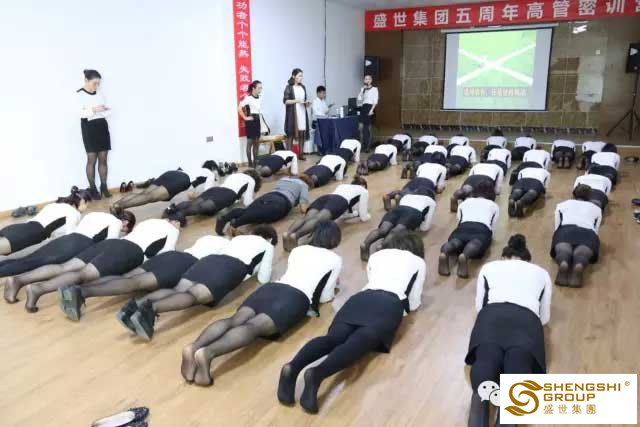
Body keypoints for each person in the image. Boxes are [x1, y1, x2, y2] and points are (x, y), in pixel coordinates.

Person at [278, 231, 426, 414]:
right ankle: (317, 374)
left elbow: (373, 280)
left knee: (333, 338)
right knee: (361, 340)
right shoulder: (418, 262)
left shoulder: (377, 255)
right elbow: (414, 301)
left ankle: (293, 367)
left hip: (360, 298)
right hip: (389, 303)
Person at [181, 221, 343, 386]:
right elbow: (325, 296)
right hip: (293, 298)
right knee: (253, 327)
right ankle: (208, 352)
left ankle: (195, 346)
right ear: (334, 239)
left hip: (271, 289)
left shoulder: (298, 250)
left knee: (234, 320)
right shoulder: (335, 260)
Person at [116, 226, 277, 340]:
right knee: (194, 296)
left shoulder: (239, 238)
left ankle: (134, 307)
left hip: (208, 260)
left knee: (178, 289)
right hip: (231, 267)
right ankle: (150, 310)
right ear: (269, 238)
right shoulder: (267, 246)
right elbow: (264, 277)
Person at [465, 235, 551, 427]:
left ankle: (479, 401)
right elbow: (544, 317)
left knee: (486, 361)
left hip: (491, 319)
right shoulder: (542, 273)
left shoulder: (489, 268)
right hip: (526, 323)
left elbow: (480, 306)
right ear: (527, 260)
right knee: (518, 367)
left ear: (504, 257)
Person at [19, 217, 181, 312]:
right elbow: (164, 254)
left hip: (111, 243)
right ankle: (39, 289)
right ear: (175, 222)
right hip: (130, 251)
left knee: (66, 267)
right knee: (83, 275)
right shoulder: (173, 231)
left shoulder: (149, 221)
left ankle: (20, 279)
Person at [58, 234, 227, 321]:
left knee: (128, 278)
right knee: (135, 283)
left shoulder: (208, 237)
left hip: (170, 256)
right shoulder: (227, 247)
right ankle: (82, 292)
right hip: (187, 263)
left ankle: (78, 290)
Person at [2, 210, 135, 303]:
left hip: (68, 238)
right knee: (37, 263)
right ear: (125, 223)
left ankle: (12, 277)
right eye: (124, 231)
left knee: (29, 259)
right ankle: (16, 281)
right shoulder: (116, 222)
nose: (122, 232)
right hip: (80, 244)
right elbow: (109, 243)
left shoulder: (94, 214)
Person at [283, 176, 370, 251]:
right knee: (317, 219)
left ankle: (288, 233)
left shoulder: (343, 185)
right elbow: (364, 216)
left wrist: (352, 213)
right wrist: (366, 215)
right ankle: (296, 235)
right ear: (363, 185)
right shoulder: (363, 190)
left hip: (326, 197)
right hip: (339, 201)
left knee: (306, 217)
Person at [215, 175, 313, 235]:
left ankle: (225, 218)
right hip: (281, 202)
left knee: (248, 210)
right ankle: (236, 224)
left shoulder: (284, 179)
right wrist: (311, 208)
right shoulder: (303, 185)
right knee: (262, 216)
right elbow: (303, 208)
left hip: (268, 196)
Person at [439, 183, 499, 278]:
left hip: (463, 227)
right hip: (482, 229)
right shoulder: (494, 205)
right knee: (475, 243)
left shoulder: (465, 203)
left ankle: (444, 253)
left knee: (455, 242)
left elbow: (459, 219)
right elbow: (492, 224)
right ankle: (465, 256)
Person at [163, 170, 261, 223]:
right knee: (200, 207)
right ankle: (178, 215)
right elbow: (247, 201)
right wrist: (254, 200)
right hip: (227, 195)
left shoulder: (235, 175)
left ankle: (172, 209)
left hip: (215, 189)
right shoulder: (251, 181)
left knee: (193, 203)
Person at [550, 184, 602, 287]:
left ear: (574, 194)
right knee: (582, 254)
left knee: (564, 251)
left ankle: (563, 262)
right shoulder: (597, 209)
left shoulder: (562, 204)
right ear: (590, 196)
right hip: (588, 233)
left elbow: (557, 225)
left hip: (566, 230)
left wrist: (558, 236)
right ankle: (579, 264)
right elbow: (595, 229)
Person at [111, 164, 217, 212]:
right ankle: (119, 207)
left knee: (143, 194)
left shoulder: (195, 166)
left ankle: (116, 204)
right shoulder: (210, 174)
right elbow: (208, 193)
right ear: (212, 168)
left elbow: (191, 188)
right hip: (182, 179)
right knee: (149, 197)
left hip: (171, 173)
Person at [0, 197, 86, 256]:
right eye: (86, 204)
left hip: (19, 227)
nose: (86, 207)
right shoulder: (74, 213)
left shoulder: (54, 204)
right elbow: (70, 237)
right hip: (32, 234)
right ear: (81, 202)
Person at [360, 194, 436, 261]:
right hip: (414, 212)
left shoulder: (408, 195)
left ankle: (365, 244)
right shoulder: (431, 201)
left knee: (382, 230)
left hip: (397, 209)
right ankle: (382, 246)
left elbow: (399, 202)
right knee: (396, 231)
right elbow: (425, 226)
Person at [78, 69, 112, 200]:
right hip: (89, 127)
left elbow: (105, 111)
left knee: (103, 158)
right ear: (86, 80)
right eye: (94, 83)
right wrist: (94, 109)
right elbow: (80, 113)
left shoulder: (99, 93)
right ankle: (93, 189)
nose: (97, 86)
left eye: (98, 83)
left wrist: (103, 110)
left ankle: (104, 186)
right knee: (91, 159)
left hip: (101, 125)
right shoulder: (79, 94)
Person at [283, 68, 311, 160]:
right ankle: (289, 156)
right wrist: (297, 100)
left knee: (302, 133)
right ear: (293, 76)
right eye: (299, 76)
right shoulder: (289, 87)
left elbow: (304, 100)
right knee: (291, 134)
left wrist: (307, 103)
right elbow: (286, 101)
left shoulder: (303, 87)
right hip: (293, 113)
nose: (301, 78)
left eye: (302, 76)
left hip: (302, 112)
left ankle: (301, 154)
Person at [238, 80, 264, 167]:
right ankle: (250, 163)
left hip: (257, 120)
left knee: (256, 142)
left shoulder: (260, 97)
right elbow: (239, 108)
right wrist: (245, 118)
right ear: (253, 88)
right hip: (251, 121)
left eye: (261, 88)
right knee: (250, 142)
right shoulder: (248, 98)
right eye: (259, 88)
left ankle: (255, 162)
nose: (260, 90)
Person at [357, 74, 379, 152]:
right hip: (363, 107)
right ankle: (361, 145)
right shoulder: (363, 89)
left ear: (371, 80)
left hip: (370, 108)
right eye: (366, 79)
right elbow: (359, 99)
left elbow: (375, 101)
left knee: (369, 129)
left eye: (369, 79)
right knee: (360, 127)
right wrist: (362, 91)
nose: (367, 80)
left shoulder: (375, 89)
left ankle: (368, 147)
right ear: (364, 81)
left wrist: (371, 110)